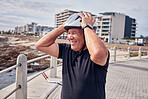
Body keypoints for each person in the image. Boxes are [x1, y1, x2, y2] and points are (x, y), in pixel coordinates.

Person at [35, 12, 110, 99]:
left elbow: (98, 54)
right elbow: (40, 45)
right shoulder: (66, 50)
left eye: (74, 33)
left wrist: (87, 26)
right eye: (68, 33)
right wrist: (62, 28)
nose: (69, 37)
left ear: (86, 34)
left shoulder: (99, 53)